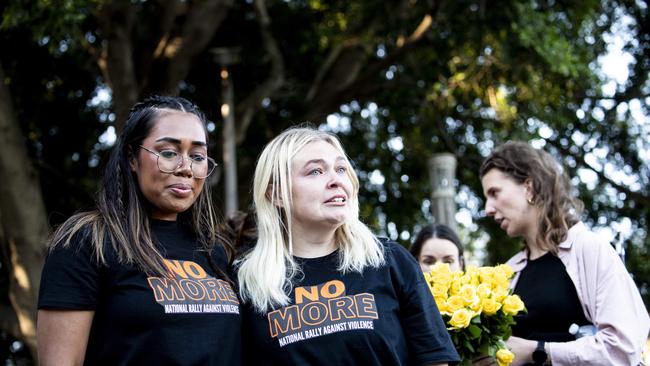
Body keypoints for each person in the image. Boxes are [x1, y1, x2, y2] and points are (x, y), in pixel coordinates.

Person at [37, 95, 241, 365]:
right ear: (132, 158)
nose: (185, 168)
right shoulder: (87, 242)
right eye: (168, 152)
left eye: (197, 156)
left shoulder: (215, 252)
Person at [236, 126, 460, 366]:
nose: (336, 180)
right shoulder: (249, 283)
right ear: (277, 193)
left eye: (341, 168)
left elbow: (435, 360)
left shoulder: (388, 260)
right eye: (315, 171)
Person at [479, 141, 649, 366]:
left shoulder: (590, 249)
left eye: (494, 193)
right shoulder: (509, 272)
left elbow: (622, 348)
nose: (488, 208)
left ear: (528, 187)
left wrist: (537, 350)